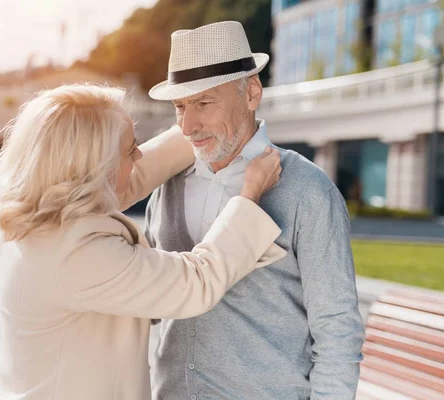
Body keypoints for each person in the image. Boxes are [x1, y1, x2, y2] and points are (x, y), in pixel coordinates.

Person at [0, 84, 286, 400]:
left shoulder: (26, 212)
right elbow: (196, 281)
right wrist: (250, 194)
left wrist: (198, 129)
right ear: (95, 168)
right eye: (129, 149)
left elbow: (128, 180)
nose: (138, 155)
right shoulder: (77, 255)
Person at [146, 21, 365, 399]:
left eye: (203, 102)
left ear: (251, 93)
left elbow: (337, 331)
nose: (187, 125)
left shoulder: (308, 191)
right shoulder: (166, 190)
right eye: (179, 106)